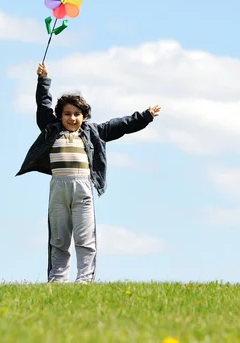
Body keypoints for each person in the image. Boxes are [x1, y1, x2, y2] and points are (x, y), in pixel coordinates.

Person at [16, 61, 161, 283]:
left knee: (85, 237)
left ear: (84, 116)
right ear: (60, 115)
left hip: (82, 188)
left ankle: (84, 279)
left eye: (77, 114)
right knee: (58, 236)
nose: (72, 118)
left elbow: (121, 125)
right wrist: (43, 80)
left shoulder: (93, 132)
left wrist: (145, 116)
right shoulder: (51, 129)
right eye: (67, 114)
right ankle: (56, 279)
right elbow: (43, 105)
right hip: (58, 188)